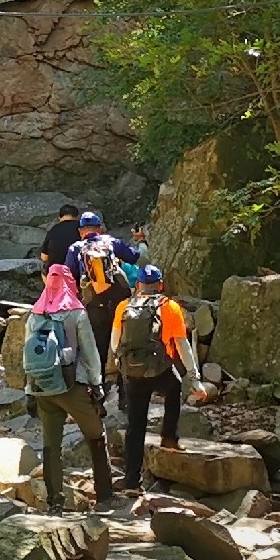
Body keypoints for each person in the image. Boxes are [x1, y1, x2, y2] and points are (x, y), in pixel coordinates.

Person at [21, 262, 116, 510]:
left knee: (51, 445)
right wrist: (97, 385)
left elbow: (27, 355)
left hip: (42, 388)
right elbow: (90, 355)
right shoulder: (76, 312)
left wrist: (29, 390)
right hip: (74, 386)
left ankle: (55, 503)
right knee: (97, 436)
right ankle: (105, 496)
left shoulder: (35, 313)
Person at [109, 266, 204, 491]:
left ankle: (132, 480)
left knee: (135, 424)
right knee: (175, 387)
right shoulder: (170, 307)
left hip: (132, 373)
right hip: (160, 370)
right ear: (160, 285)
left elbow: (115, 342)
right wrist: (194, 377)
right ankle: (169, 437)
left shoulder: (124, 307)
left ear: (139, 285)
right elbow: (182, 345)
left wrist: (123, 364)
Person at [66, 211, 141, 396]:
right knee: (123, 346)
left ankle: (98, 395)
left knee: (97, 348)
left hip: (94, 305)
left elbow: (68, 277)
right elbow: (134, 257)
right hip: (119, 302)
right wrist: (139, 241)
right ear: (99, 229)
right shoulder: (112, 242)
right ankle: (125, 393)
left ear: (81, 231)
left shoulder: (76, 248)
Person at [38, 203, 83, 274]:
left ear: (60, 217)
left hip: (57, 273)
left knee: (43, 265)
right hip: (78, 274)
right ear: (77, 216)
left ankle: (48, 285)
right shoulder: (83, 229)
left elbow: (44, 257)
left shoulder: (54, 230)